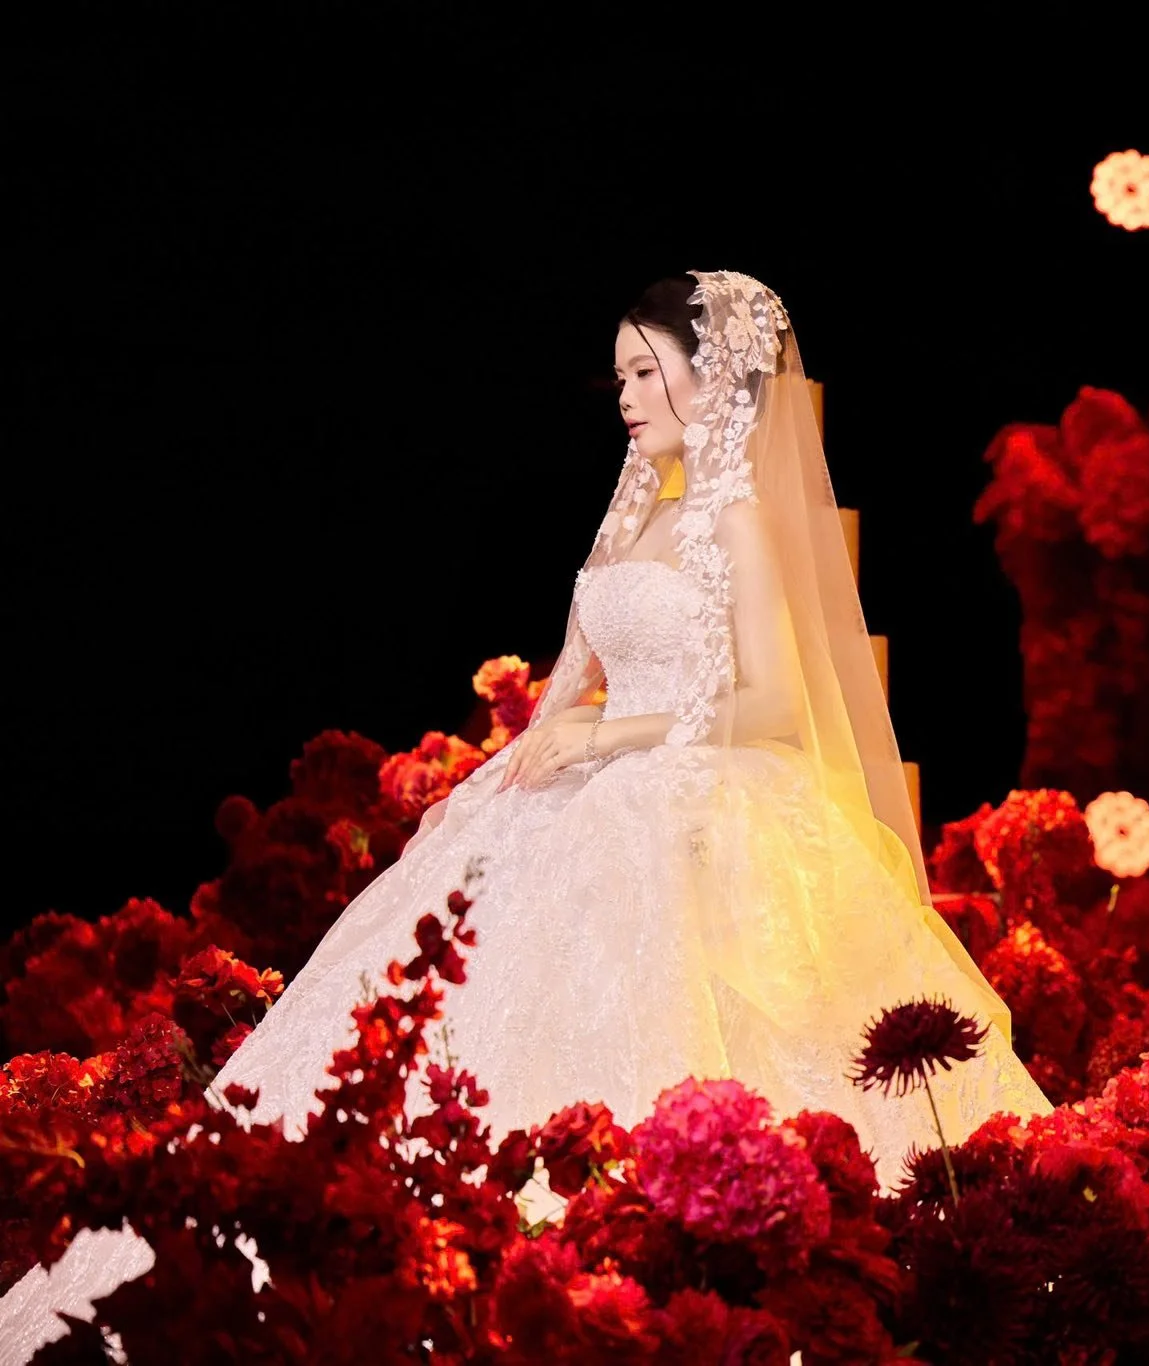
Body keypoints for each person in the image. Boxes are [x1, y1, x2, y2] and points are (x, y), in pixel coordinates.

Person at [0, 270, 1052, 1359]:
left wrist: (609, 737)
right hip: (574, 793)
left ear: (715, 376)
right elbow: (573, 679)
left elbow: (776, 702)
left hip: (688, 801)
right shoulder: (633, 513)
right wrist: (502, 780)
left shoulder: (737, 520)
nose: (628, 397)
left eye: (649, 372)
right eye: (621, 377)